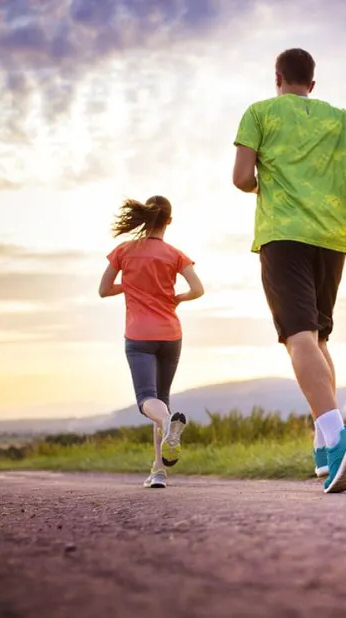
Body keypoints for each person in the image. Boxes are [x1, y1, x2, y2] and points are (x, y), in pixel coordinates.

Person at [231, 48, 346, 494]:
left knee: (297, 336)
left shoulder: (260, 112)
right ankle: (323, 447)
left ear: (277, 77)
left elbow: (241, 178)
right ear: (312, 84)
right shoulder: (337, 117)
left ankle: (338, 438)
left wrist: (266, 187)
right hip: (331, 236)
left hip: (284, 234)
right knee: (317, 337)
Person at [98, 195, 204, 489]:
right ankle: (158, 470)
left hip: (139, 336)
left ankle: (168, 433)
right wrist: (178, 298)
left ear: (146, 218)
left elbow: (103, 289)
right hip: (171, 334)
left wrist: (130, 284)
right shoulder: (175, 254)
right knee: (162, 402)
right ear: (168, 221)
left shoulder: (124, 251)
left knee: (147, 400)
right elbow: (198, 289)